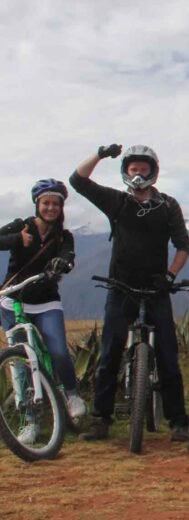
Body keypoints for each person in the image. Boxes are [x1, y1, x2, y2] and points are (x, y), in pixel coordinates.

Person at [70, 143, 189, 442]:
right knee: (109, 354)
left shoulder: (167, 205)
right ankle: (101, 420)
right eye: (133, 169)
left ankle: (178, 422)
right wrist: (100, 154)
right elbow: (77, 181)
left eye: (143, 169)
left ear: (153, 172)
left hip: (156, 289)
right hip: (120, 287)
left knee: (167, 354)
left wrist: (170, 275)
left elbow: (183, 246)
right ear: (125, 172)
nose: (138, 174)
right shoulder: (118, 202)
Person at [0, 179, 86, 442]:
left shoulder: (64, 236)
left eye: (55, 204)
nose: (50, 208)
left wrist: (63, 262)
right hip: (12, 302)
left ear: (61, 208)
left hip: (47, 302)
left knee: (58, 350)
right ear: (37, 204)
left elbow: (69, 257)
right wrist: (18, 239)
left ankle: (71, 394)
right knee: (21, 363)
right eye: (46, 203)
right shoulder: (21, 226)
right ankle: (30, 420)